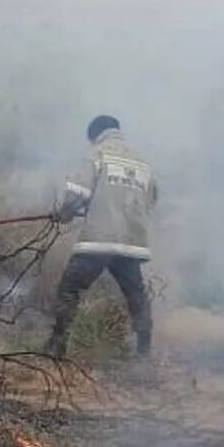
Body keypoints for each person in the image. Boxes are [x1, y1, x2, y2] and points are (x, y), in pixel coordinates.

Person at [44, 115, 158, 360]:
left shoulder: (98, 153)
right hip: (131, 242)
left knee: (70, 288)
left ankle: (56, 345)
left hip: (99, 240)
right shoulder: (143, 161)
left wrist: (65, 213)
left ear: (95, 134)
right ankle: (144, 354)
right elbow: (151, 200)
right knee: (136, 295)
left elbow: (78, 192)